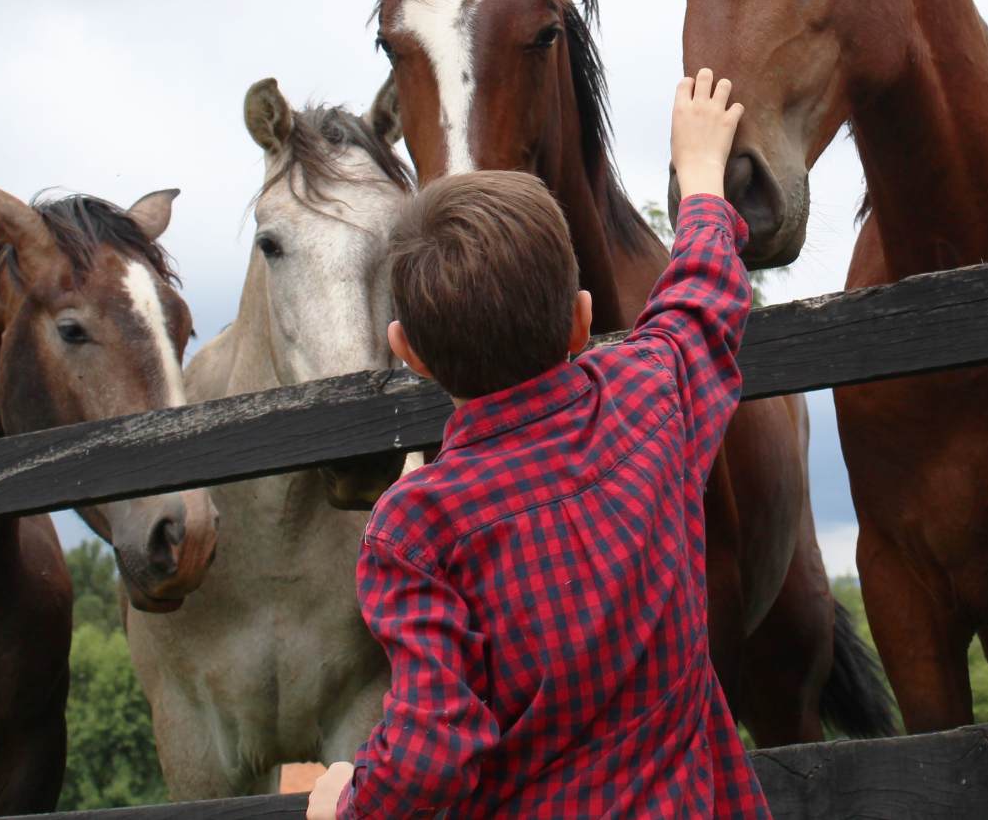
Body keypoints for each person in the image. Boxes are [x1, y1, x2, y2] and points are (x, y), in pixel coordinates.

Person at [308, 69, 773, 819]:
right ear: (582, 322)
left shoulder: (416, 526)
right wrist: (701, 179)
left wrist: (347, 803)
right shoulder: (648, 397)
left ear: (409, 352)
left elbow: (428, 753)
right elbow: (702, 296)